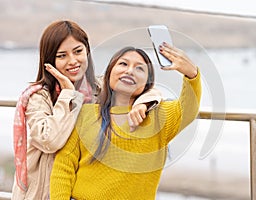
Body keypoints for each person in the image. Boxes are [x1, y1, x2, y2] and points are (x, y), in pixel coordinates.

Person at [11, 20, 161, 200]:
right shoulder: (39, 97)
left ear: (87, 52)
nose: (73, 61)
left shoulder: (100, 89)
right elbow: (49, 140)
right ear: (50, 61)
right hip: (44, 193)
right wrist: (68, 95)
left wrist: (142, 104)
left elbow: (149, 89)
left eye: (78, 51)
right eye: (62, 55)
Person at [50, 44, 201, 199]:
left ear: (147, 83)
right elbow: (63, 167)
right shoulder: (85, 114)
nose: (129, 71)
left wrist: (191, 74)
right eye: (123, 64)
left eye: (139, 68)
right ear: (109, 72)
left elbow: (188, 108)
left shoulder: (158, 117)